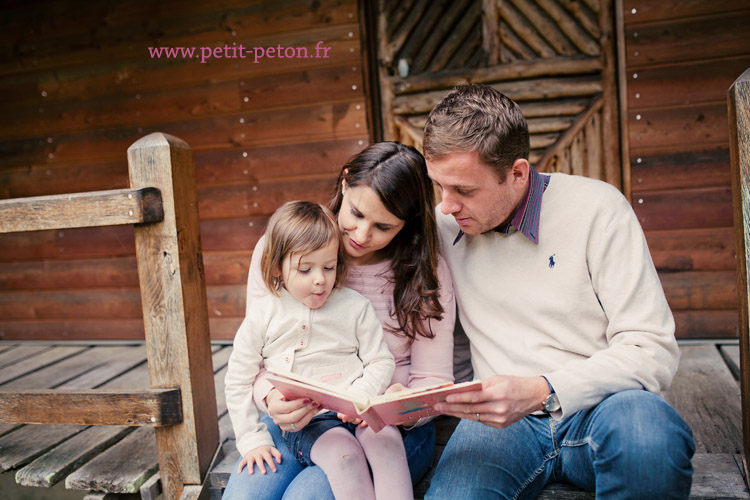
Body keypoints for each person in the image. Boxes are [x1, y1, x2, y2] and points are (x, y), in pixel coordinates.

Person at [421, 84, 695, 499]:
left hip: (603, 404)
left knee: (649, 438)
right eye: (439, 186)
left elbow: (651, 348)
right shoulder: (445, 227)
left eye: (464, 190)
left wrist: (542, 390)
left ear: (517, 174)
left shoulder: (598, 210)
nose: (446, 205)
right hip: (497, 425)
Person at [222, 142, 455, 500]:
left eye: (383, 226)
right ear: (344, 184)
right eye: (357, 214)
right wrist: (270, 400)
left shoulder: (423, 270)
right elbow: (256, 354)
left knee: (308, 495)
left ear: (406, 224)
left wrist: (400, 403)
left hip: (386, 428)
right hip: (294, 421)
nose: (362, 236)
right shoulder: (282, 248)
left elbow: (433, 379)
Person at [224, 200, 413, 500]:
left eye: (329, 267)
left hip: (361, 408)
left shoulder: (354, 307)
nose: (320, 280)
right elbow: (238, 378)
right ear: (276, 267)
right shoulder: (264, 314)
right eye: (305, 269)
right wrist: (252, 439)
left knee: (388, 443)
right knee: (345, 455)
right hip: (307, 421)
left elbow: (380, 360)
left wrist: (361, 396)